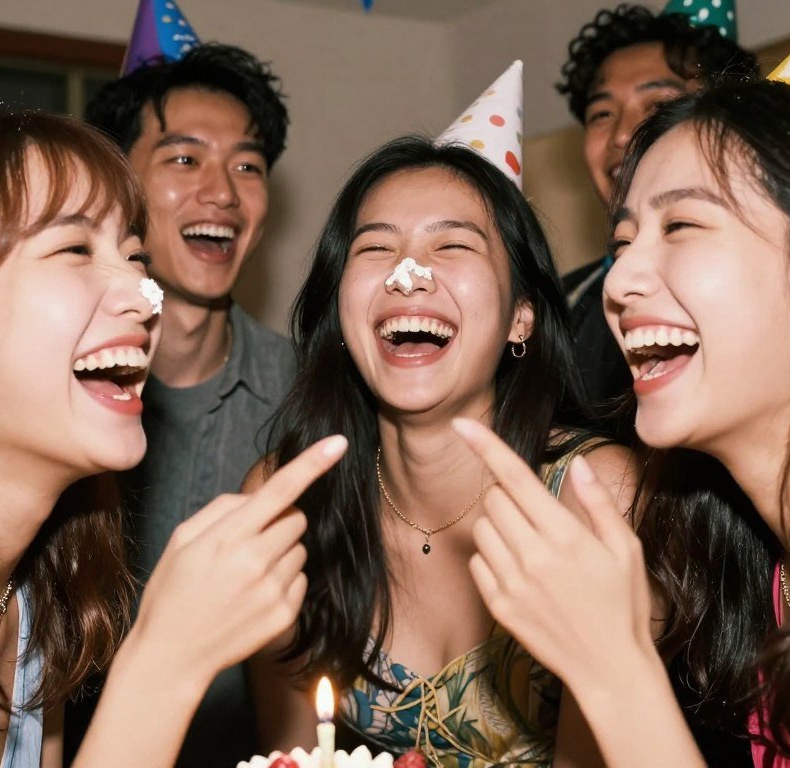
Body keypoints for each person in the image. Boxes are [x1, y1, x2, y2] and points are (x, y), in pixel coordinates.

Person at [0, 109, 347, 767]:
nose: (145, 297)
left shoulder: (30, 602)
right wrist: (166, 658)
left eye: (135, 256)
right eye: (74, 249)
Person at [455, 79, 790, 766]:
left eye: (681, 226)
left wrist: (610, 664)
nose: (619, 284)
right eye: (623, 240)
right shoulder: (769, 574)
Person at [245, 135, 635, 767]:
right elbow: (291, 750)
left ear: (522, 318)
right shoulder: (284, 501)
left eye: (452, 245)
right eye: (375, 248)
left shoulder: (596, 497)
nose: (409, 274)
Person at [83, 43, 296, 765]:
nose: (224, 193)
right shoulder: (50, 392)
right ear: (119, 184)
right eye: (184, 160)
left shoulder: (310, 398)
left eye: (248, 166)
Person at [556, 3, 757, 427]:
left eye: (657, 104)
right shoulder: (557, 309)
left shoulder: (766, 288)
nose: (623, 134)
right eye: (601, 113)